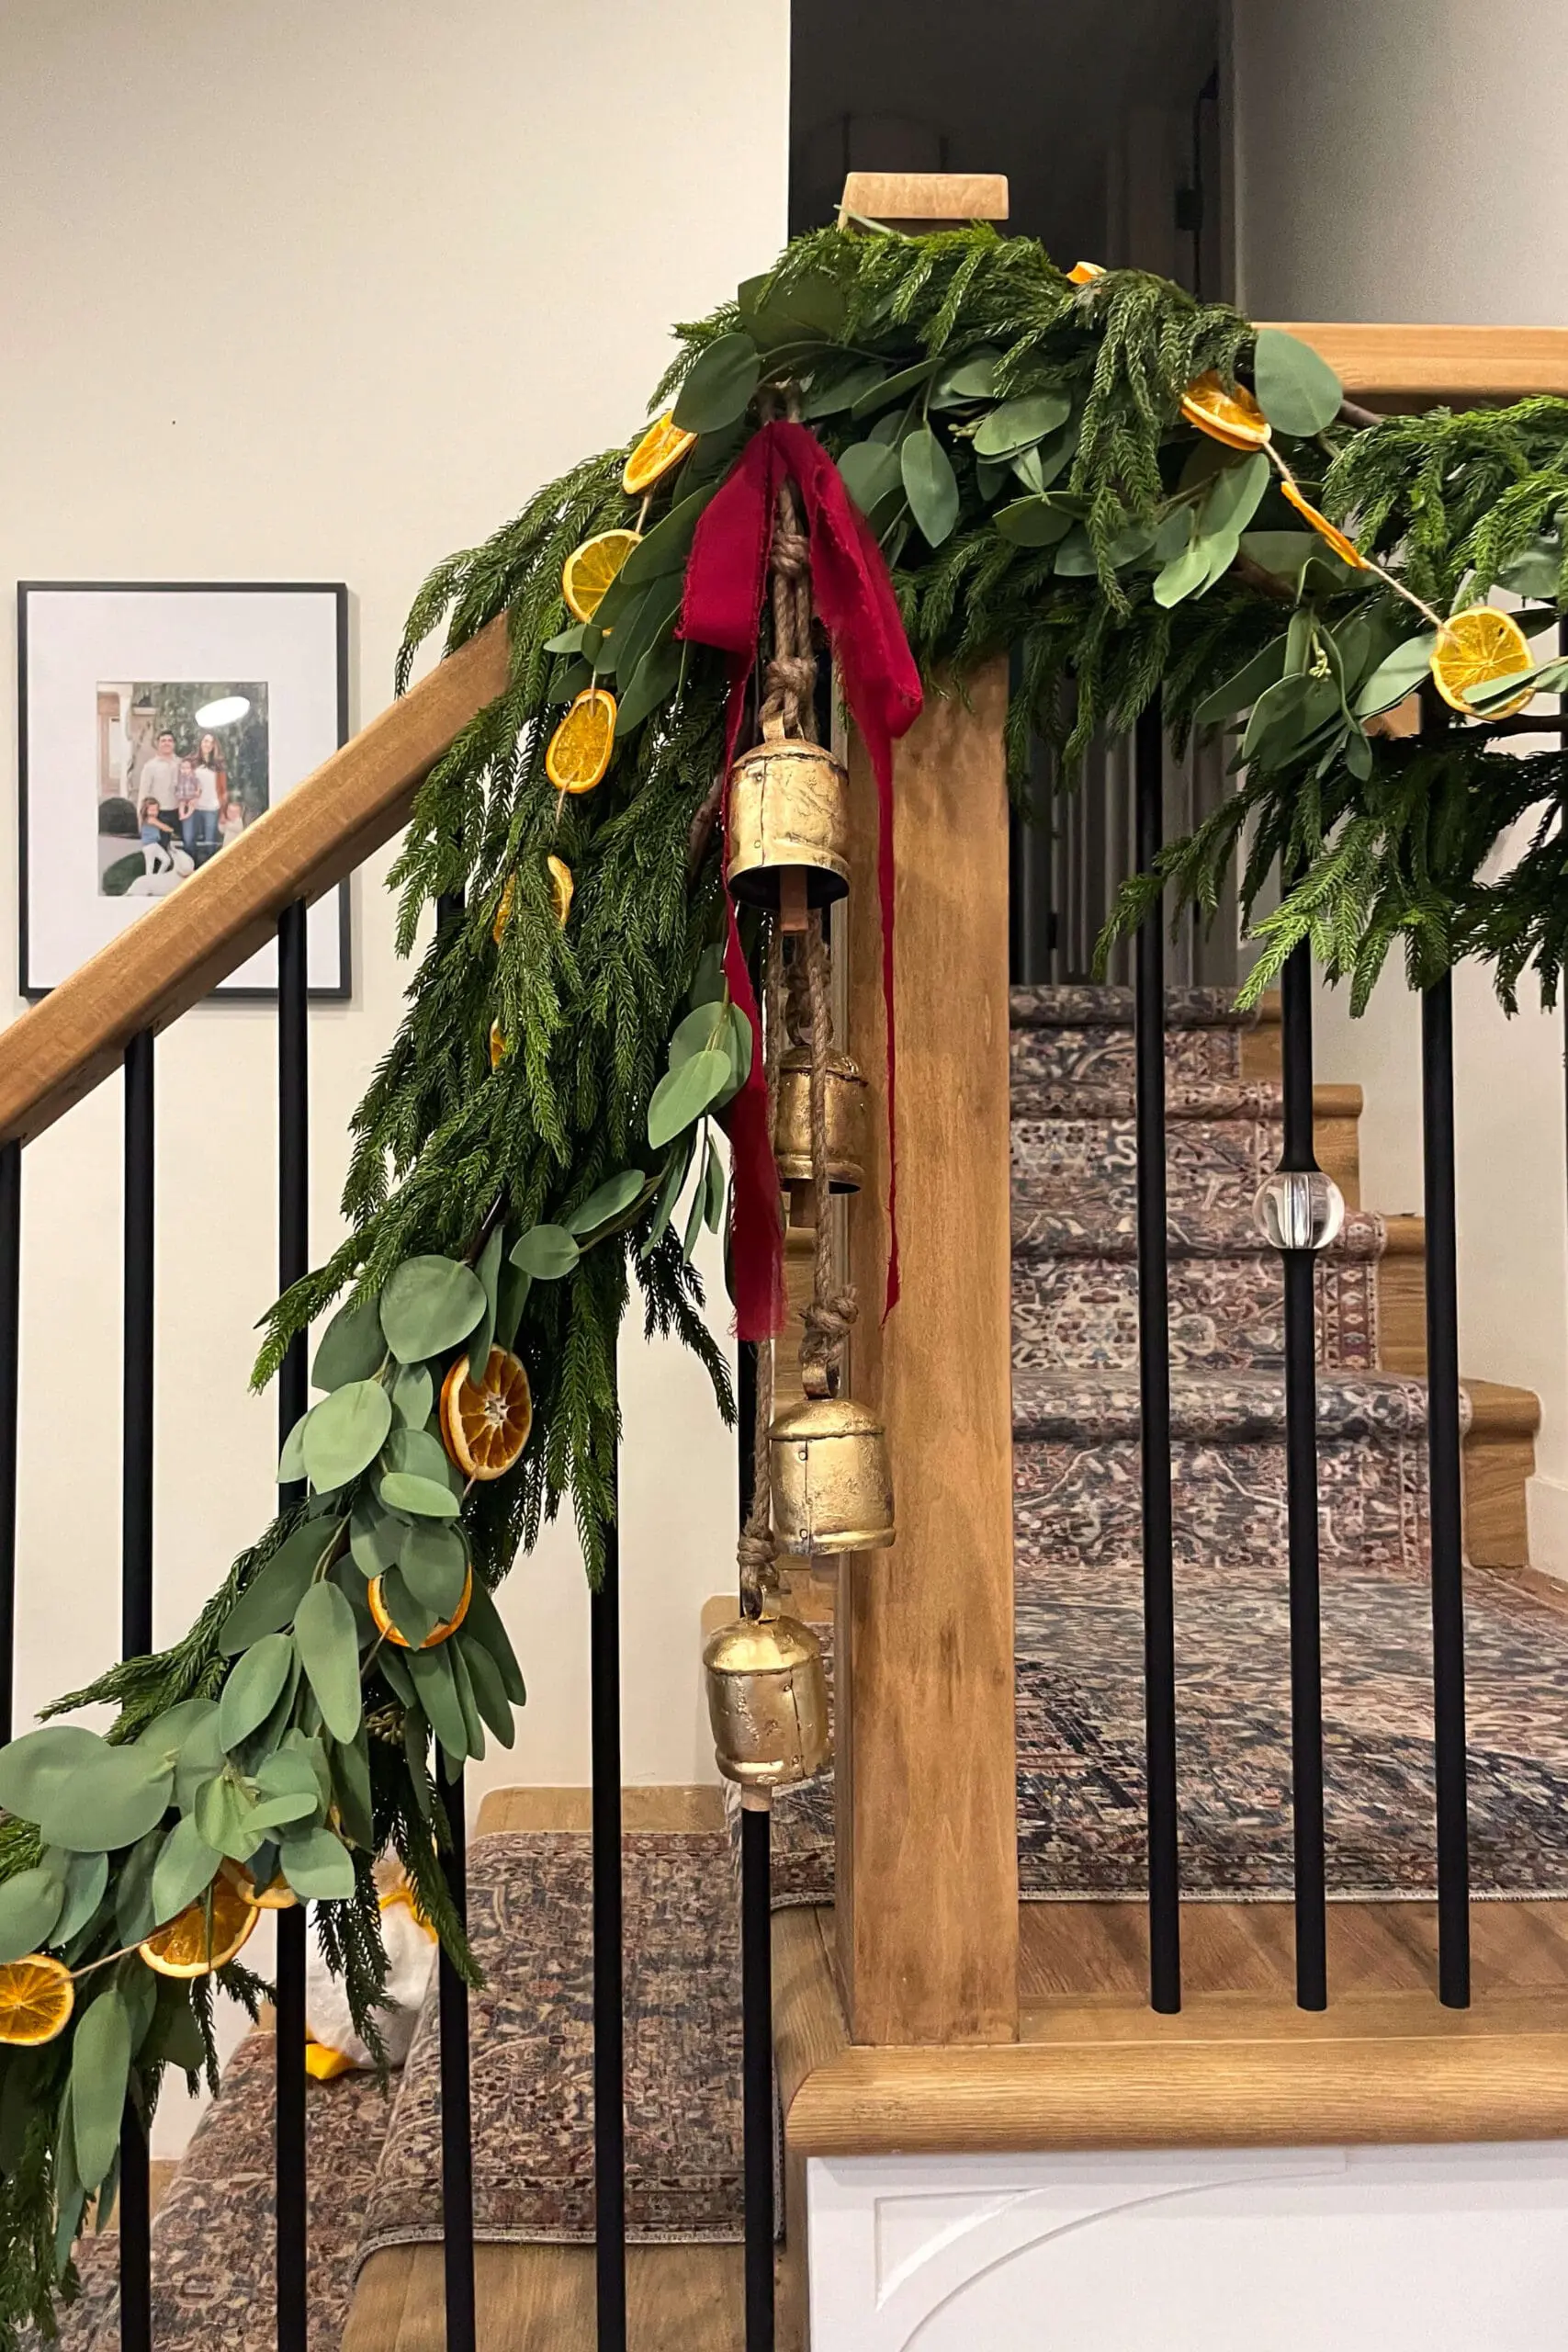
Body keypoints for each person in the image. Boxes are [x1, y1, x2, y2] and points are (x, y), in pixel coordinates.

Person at [189, 731, 226, 863]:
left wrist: (223, 812)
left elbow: (223, 790)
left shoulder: (218, 765)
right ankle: (192, 869)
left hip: (212, 807)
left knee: (209, 842)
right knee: (191, 840)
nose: (208, 744)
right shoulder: (192, 762)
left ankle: (208, 870)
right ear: (200, 743)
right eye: (205, 741)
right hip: (194, 808)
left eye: (211, 742)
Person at [139, 729, 182, 840]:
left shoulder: (180, 763)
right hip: (159, 813)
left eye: (170, 741)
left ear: (174, 744)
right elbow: (143, 792)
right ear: (158, 744)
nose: (166, 743)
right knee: (161, 847)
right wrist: (140, 817)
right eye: (163, 741)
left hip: (178, 811)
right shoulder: (150, 766)